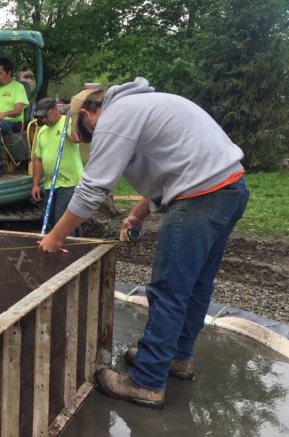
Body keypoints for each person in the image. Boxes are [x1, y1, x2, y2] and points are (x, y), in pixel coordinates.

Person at [39, 77, 249, 409]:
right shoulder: (140, 107)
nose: (91, 141)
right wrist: (138, 213)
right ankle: (176, 358)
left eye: (86, 133)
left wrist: (55, 236)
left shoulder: (116, 115)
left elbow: (92, 188)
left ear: (91, 111)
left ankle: (147, 381)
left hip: (200, 197)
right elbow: (169, 166)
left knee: (168, 290)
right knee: (195, 286)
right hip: (229, 190)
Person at [31, 97, 83, 231]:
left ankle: (70, 248)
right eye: (41, 118)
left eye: (46, 116)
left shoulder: (68, 123)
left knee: (63, 222)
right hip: (50, 183)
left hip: (69, 183)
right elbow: (38, 159)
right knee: (51, 221)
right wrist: (36, 184)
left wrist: (72, 114)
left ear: (55, 110)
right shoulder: (42, 131)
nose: (44, 120)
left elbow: (77, 139)